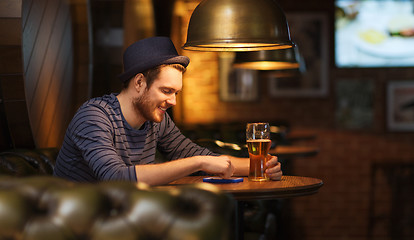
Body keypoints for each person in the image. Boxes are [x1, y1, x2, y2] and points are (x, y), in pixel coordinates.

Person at [53, 36, 282, 185]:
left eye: (176, 93)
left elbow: (200, 156)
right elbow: (116, 178)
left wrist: (260, 165)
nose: (172, 101)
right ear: (140, 83)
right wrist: (197, 163)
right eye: (166, 91)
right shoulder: (94, 116)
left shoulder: (156, 119)